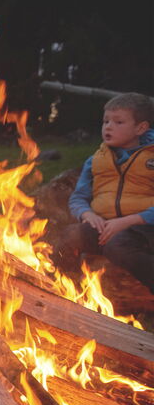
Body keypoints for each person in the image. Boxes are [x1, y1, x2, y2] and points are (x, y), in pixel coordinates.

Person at [55, 92, 154, 291]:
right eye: (106, 121)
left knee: (117, 246)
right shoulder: (96, 160)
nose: (108, 126)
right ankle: (68, 291)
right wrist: (87, 214)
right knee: (67, 237)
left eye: (118, 122)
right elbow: (79, 197)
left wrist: (127, 221)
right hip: (104, 227)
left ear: (140, 128)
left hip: (143, 228)